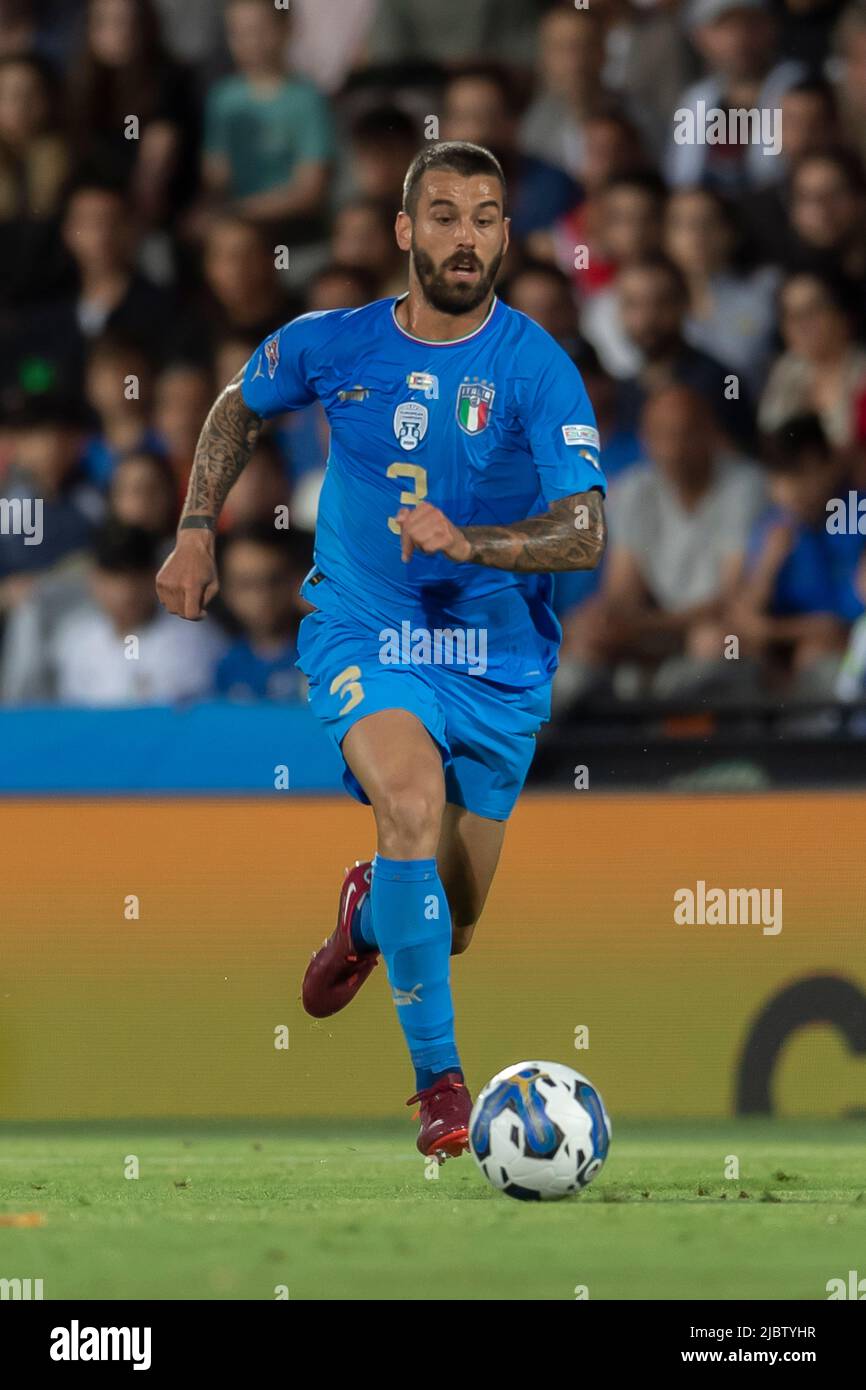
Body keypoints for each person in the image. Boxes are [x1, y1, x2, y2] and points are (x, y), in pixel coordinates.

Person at [156, 141, 607, 1160]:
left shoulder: (534, 365)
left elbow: (583, 532)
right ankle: (441, 1088)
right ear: (404, 232)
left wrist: (475, 540)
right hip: (369, 629)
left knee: (443, 923)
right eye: (442, 215)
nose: (465, 236)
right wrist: (194, 526)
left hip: (496, 658)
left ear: (503, 235)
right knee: (404, 802)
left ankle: (369, 911)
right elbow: (238, 403)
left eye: (485, 217)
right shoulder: (336, 344)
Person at [215, 523, 311, 702]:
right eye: (247, 584)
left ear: (296, 581)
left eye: (273, 581)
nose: (262, 596)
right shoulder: (223, 664)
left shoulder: (325, 656)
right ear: (226, 592)